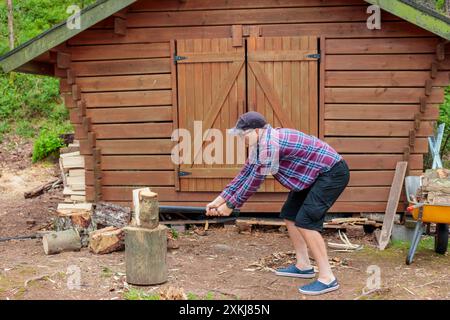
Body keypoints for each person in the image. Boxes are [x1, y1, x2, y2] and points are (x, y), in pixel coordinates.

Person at [206, 111, 350, 295]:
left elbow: (254, 181)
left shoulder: (269, 146)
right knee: (290, 214)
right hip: (313, 175)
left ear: (257, 131)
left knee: (306, 222)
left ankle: (327, 278)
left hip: (332, 173)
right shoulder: (260, 144)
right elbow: (245, 173)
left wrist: (231, 205)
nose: (241, 138)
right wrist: (219, 200)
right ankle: (303, 265)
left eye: (244, 134)